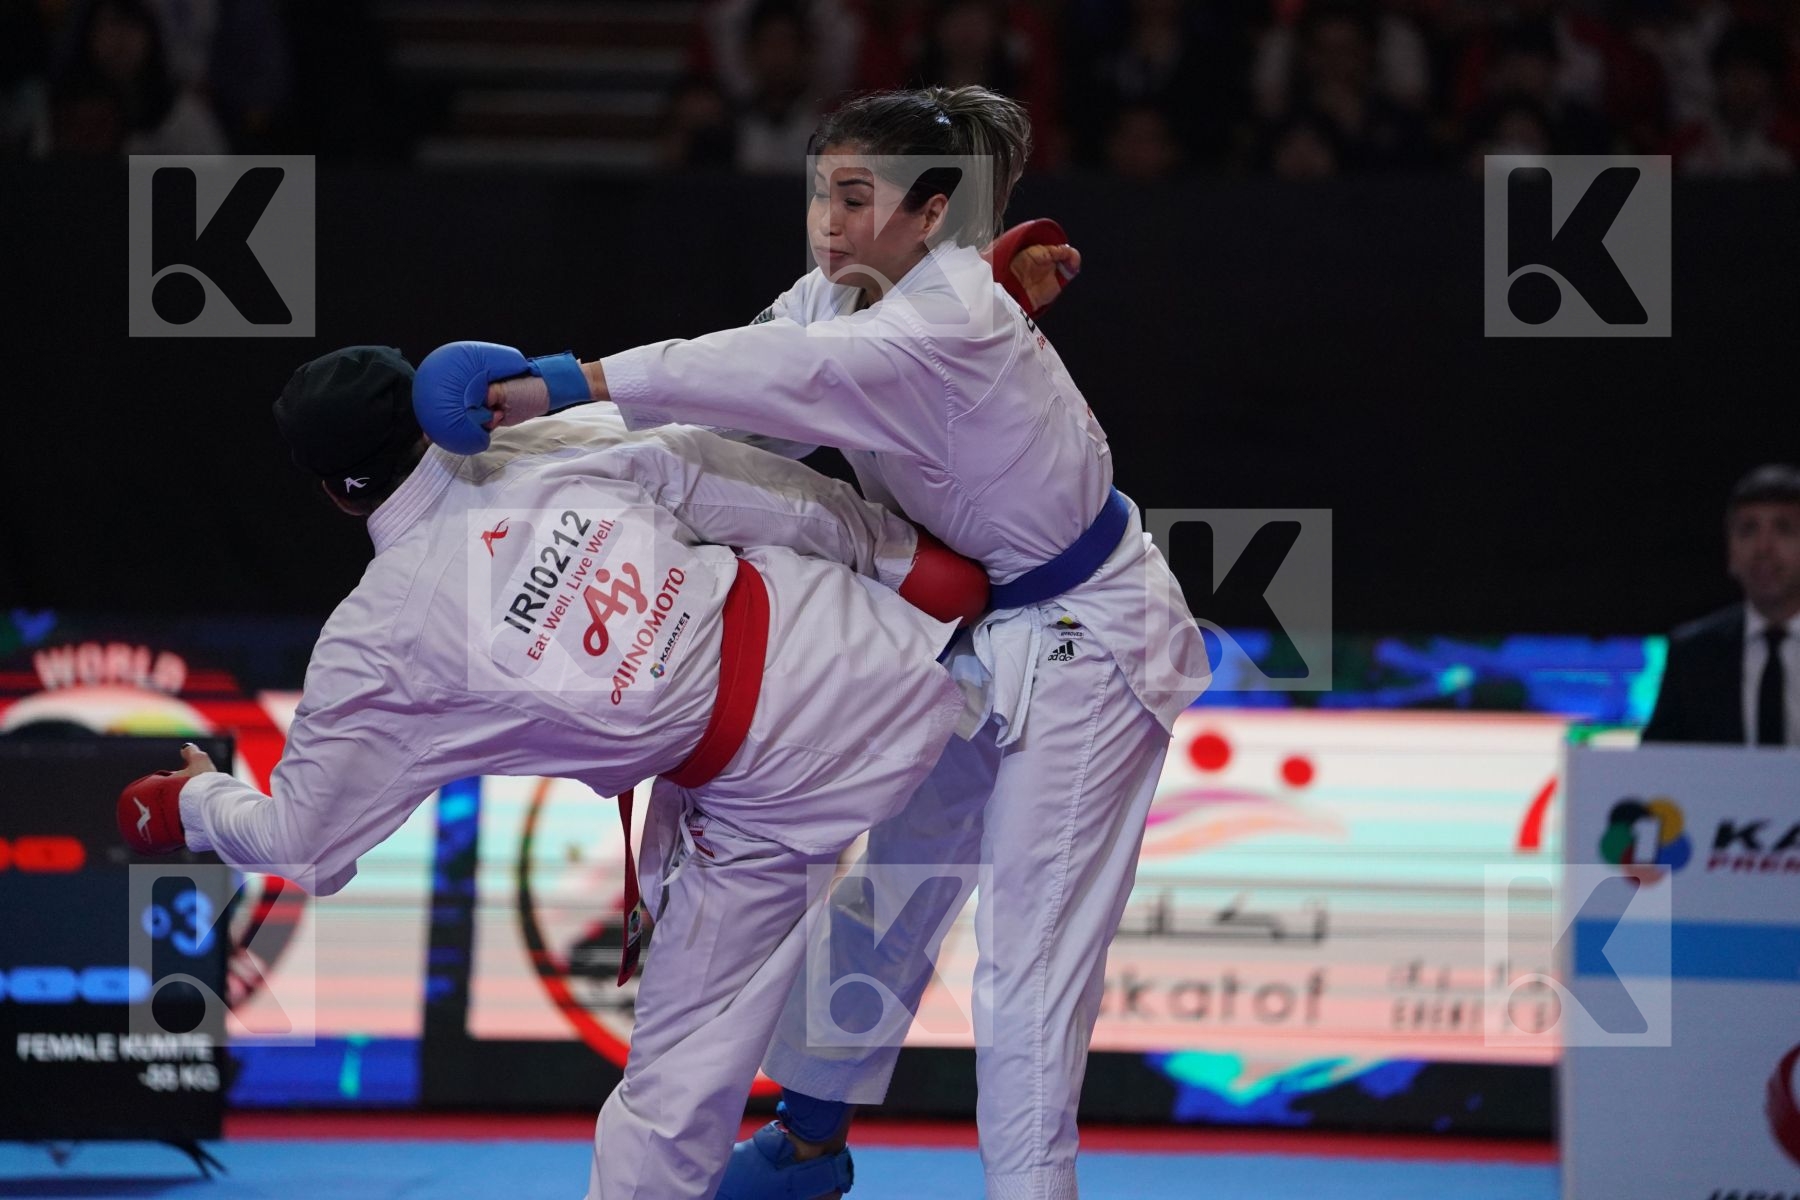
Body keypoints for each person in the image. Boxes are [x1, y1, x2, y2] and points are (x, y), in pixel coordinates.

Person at [417, 84, 1208, 1200]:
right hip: (982, 639)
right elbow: (721, 396)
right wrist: (525, 433)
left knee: (1028, 973)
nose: (828, 222)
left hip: (1096, 647)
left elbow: (769, 377)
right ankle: (808, 1140)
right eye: (818, 196)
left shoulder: (948, 322)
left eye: (855, 197)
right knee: (890, 893)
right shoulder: (844, 301)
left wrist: (557, 377)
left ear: (930, 211)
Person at [114, 345, 994, 1200]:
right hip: (895, 653)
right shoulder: (556, 437)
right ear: (429, 412)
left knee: (672, 1092)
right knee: (957, 928)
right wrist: (901, 558)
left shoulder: (375, 643)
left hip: (773, 794)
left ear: (333, 495)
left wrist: (191, 802)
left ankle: (807, 1148)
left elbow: (308, 846)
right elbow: (722, 465)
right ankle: (811, 1140)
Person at [1643, 463, 1800, 747]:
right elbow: (1655, 765)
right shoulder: (1693, 653)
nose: (1763, 547)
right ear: (1730, 552)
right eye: (1748, 530)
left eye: (1784, 529)